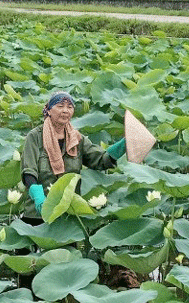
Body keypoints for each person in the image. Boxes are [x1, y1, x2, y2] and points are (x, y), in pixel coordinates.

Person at [21, 91, 125, 220]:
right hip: (37, 213)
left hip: (69, 213)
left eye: (69, 107)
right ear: (48, 110)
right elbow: (29, 172)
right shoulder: (35, 136)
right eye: (60, 106)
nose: (65, 111)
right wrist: (38, 198)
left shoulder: (77, 139)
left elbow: (101, 161)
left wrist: (124, 144)